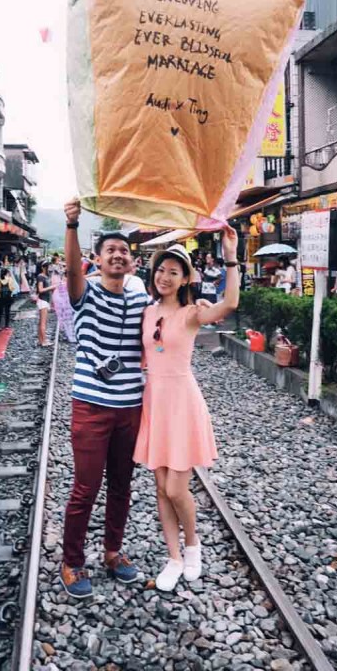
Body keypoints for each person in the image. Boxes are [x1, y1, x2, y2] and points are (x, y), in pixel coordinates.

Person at [133, 231, 239, 591]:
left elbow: (229, 306)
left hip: (181, 401)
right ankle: (173, 557)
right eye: (161, 270)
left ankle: (193, 546)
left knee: (178, 487)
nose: (165, 276)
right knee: (161, 487)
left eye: (174, 272)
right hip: (155, 401)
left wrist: (231, 258)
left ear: (185, 279)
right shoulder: (146, 312)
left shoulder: (191, 313)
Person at [60, 198, 151, 599]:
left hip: (130, 406)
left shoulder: (140, 300)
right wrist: (72, 226)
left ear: (131, 263)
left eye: (124, 251)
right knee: (85, 487)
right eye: (110, 250)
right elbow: (69, 272)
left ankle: (113, 552)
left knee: (122, 484)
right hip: (92, 405)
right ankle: (72, 561)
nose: (118, 255)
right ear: (96, 260)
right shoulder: (86, 294)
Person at [36, 261, 57, 347]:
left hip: (45, 301)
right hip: (43, 301)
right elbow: (40, 290)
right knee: (43, 323)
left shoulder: (45, 276)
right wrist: (52, 287)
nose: (50, 268)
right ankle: (44, 341)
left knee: (41, 322)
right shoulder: (41, 276)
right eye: (48, 267)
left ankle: (40, 340)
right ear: (43, 267)